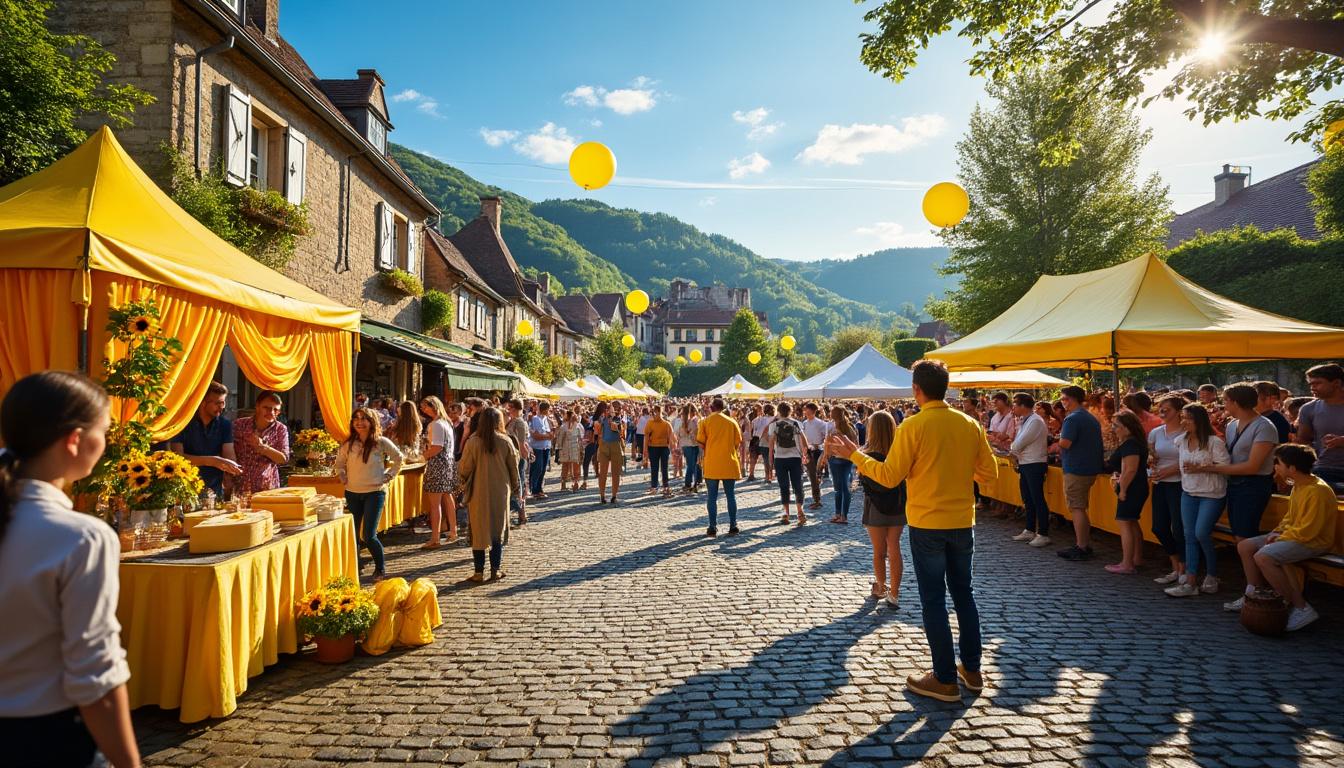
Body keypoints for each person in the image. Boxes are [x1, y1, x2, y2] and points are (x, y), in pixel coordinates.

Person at [828, 359, 998, 702]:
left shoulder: (914, 426)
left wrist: (856, 456)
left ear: (916, 390)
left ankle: (944, 677)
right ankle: (973, 669)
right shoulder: (970, 424)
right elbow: (989, 474)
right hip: (962, 521)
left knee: (934, 599)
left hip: (927, 523)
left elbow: (889, 476)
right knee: (964, 594)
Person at [0, 372, 140, 768]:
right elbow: (96, 680)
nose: (107, 442)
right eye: (105, 431)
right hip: (43, 738)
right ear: (75, 440)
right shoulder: (82, 538)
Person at [1230, 444, 1337, 629]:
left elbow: (1309, 531)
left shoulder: (1317, 491)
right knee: (1245, 546)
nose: (1275, 467)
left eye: (1278, 463)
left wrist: (1281, 537)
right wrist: (1277, 532)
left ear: (1292, 468)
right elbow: (1291, 518)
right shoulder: (1299, 485)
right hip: (1295, 536)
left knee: (1263, 556)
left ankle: (1301, 607)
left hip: (1314, 542)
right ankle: (1254, 593)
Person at [1199, 383, 1279, 546]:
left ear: (1235, 402)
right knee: (1239, 534)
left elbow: (1252, 467)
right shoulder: (1232, 425)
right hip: (1234, 483)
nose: (1223, 404)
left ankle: (1254, 570)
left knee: (1244, 535)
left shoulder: (1265, 426)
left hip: (1253, 485)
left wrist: (1211, 468)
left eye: (1225, 400)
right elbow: (1230, 455)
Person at [1165, 403, 1229, 597]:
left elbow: (1226, 466)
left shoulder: (1214, 442)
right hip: (1189, 492)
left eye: (1188, 418)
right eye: (1182, 417)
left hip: (1211, 494)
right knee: (1189, 536)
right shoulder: (1181, 441)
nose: (1183, 422)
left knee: (1201, 533)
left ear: (1198, 420)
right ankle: (1191, 582)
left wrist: (1202, 468)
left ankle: (1211, 574)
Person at [334, 408, 404, 580]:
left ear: (372, 422)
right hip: (352, 493)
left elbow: (399, 458)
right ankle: (354, 567)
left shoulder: (381, 442)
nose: (359, 422)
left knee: (368, 535)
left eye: (364, 419)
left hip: (375, 493)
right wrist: (342, 475)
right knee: (353, 534)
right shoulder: (348, 444)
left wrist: (389, 475)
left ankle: (380, 568)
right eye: (356, 419)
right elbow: (339, 463)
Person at [458, 407, 520, 582]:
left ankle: (479, 572)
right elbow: (513, 469)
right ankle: (495, 569)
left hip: (478, 492)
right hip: (500, 491)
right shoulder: (505, 441)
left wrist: (462, 482)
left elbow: (464, 468)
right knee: (497, 531)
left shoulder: (473, 442)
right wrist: (516, 488)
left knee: (479, 531)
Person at [859, 410, 905, 608]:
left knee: (879, 551)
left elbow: (863, 481)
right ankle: (894, 593)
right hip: (897, 504)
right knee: (894, 547)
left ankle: (880, 586)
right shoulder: (899, 452)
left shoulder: (866, 455)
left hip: (875, 506)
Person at [1056, 385, 1104, 561]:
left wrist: (1055, 441)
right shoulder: (1088, 417)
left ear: (1073, 399)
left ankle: (1082, 546)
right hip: (1088, 466)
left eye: (1064, 399)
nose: (1063, 403)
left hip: (1077, 468)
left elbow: (1066, 443)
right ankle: (1083, 544)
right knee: (1080, 508)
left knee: (1077, 508)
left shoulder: (1073, 419)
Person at [171, 380, 241, 498]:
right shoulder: (182, 423)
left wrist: (231, 470)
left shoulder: (225, 424)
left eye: (223, 402)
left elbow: (229, 454)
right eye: (218, 403)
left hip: (214, 491)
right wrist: (212, 460)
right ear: (202, 402)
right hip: (184, 490)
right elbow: (177, 457)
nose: (222, 407)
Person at [1148, 395, 1188, 587]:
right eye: (1160, 409)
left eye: (1167, 409)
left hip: (1179, 483)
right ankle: (1175, 565)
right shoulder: (1156, 432)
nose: (1162, 412)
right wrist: (1152, 459)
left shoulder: (1187, 432)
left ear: (1178, 412)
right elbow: (1152, 452)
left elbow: (1191, 458)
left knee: (1179, 528)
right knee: (1159, 527)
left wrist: (1169, 470)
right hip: (1160, 483)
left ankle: (1184, 568)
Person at [1104, 410, 1149, 574]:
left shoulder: (1130, 444)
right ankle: (1136, 558)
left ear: (1127, 428)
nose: (1113, 428)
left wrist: (1122, 489)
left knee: (1125, 523)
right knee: (1132, 522)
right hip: (1135, 486)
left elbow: (1130, 470)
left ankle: (1127, 563)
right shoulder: (1133, 442)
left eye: (1116, 426)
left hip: (1132, 487)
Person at [1008, 393, 1051, 547]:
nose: (1013, 407)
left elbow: (1019, 443)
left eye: (1015, 404)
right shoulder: (1025, 420)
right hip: (1026, 462)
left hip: (1035, 463)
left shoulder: (1035, 421)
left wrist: (1012, 450)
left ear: (1023, 406)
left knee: (1037, 498)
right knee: (1028, 498)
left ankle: (1043, 533)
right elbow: (1017, 442)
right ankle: (1030, 529)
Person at [697, 398, 743, 537]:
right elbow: (737, 442)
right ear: (724, 408)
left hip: (712, 462)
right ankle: (733, 524)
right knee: (730, 495)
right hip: (729, 461)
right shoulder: (732, 422)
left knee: (712, 496)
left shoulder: (705, 422)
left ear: (711, 407)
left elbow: (701, 442)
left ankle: (712, 526)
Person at [232, 390, 290, 493]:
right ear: (257, 406)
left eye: (275, 410)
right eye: (266, 408)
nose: (271, 412)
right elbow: (227, 450)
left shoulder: (280, 429)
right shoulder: (239, 424)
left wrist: (263, 448)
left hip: (267, 487)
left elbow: (283, 458)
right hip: (240, 485)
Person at [418, 397, 458, 548]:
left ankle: (435, 538)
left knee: (435, 504)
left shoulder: (436, 424)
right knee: (447, 497)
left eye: (425, 407)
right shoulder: (446, 423)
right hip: (446, 464)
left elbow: (437, 447)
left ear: (433, 406)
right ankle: (453, 530)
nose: (423, 410)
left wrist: (422, 456)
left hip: (438, 465)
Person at [1296, 363, 1344, 485]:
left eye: (1317, 383)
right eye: (1311, 384)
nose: (1312, 388)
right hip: (1324, 470)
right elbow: (1303, 441)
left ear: (1337, 383)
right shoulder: (1308, 409)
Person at [768, 401, 809, 525]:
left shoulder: (774, 425)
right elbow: (805, 442)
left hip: (779, 458)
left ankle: (786, 513)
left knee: (784, 486)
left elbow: (771, 445)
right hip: (795, 457)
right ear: (791, 411)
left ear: (778, 412)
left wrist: (770, 462)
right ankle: (800, 511)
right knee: (798, 485)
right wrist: (805, 455)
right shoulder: (797, 423)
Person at [821, 405, 859, 524]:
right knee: (844, 487)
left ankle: (839, 514)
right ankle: (843, 515)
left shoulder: (831, 426)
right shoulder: (850, 427)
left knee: (838, 489)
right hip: (847, 459)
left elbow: (827, 443)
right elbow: (856, 444)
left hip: (835, 459)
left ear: (833, 414)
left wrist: (825, 456)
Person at [504, 400, 533, 525]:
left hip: (518, 457)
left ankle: (522, 512)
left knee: (519, 483)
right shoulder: (513, 421)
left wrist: (524, 456)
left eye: (509, 408)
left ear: (515, 408)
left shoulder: (519, 422)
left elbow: (521, 442)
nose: (508, 410)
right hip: (513, 455)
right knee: (518, 482)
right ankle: (521, 513)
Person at [594, 401, 626, 504]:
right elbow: (597, 428)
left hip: (615, 445)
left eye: (617, 408)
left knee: (615, 473)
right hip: (605, 445)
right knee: (603, 472)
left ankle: (614, 496)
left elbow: (621, 431)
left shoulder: (620, 419)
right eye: (614, 408)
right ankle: (602, 496)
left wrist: (614, 423)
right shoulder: (603, 418)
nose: (617, 409)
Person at [801, 403, 831, 511]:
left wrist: (819, 446)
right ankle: (816, 498)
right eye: (806, 412)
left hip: (818, 451)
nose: (806, 413)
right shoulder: (804, 423)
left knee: (815, 476)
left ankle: (817, 499)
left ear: (813, 412)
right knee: (812, 476)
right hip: (808, 451)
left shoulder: (821, 423)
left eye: (808, 412)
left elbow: (827, 439)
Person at [644, 405, 674, 497]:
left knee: (664, 468)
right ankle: (654, 486)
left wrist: (672, 448)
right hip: (653, 447)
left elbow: (671, 436)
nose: (654, 414)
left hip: (664, 447)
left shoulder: (666, 424)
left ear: (659, 412)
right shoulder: (650, 423)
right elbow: (646, 437)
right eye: (652, 413)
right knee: (654, 467)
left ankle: (666, 486)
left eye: (655, 412)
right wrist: (645, 449)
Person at [527, 401, 554, 500]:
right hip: (537, 447)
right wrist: (546, 436)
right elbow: (536, 436)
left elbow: (551, 434)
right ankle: (533, 489)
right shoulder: (535, 419)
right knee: (537, 468)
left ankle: (539, 489)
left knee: (543, 469)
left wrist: (546, 435)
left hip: (546, 447)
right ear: (545, 409)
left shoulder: (547, 419)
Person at [555, 409, 584, 492]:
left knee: (575, 466)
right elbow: (560, 439)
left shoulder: (577, 426)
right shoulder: (564, 426)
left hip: (574, 448)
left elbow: (580, 437)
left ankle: (575, 483)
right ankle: (564, 484)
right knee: (566, 466)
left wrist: (581, 448)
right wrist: (559, 448)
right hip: (566, 448)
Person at [677, 403, 702, 494]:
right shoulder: (694, 421)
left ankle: (693, 482)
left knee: (691, 464)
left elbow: (679, 434)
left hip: (685, 445)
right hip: (693, 444)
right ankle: (691, 483)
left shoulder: (683, 421)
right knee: (693, 465)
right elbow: (696, 434)